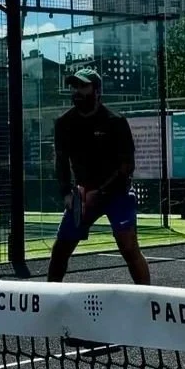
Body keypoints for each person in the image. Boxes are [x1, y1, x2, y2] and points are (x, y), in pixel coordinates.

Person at [47, 68, 151, 285]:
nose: (77, 91)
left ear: (97, 90)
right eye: (74, 86)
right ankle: (49, 301)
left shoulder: (116, 121)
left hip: (117, 194)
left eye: (83, 86)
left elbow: (127, 166)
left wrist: (100, 192)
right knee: (60, 249)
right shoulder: (63, 123)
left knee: (129, 248)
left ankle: (147, 301)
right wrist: (66, 192)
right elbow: (61, 161)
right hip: (82, 197)